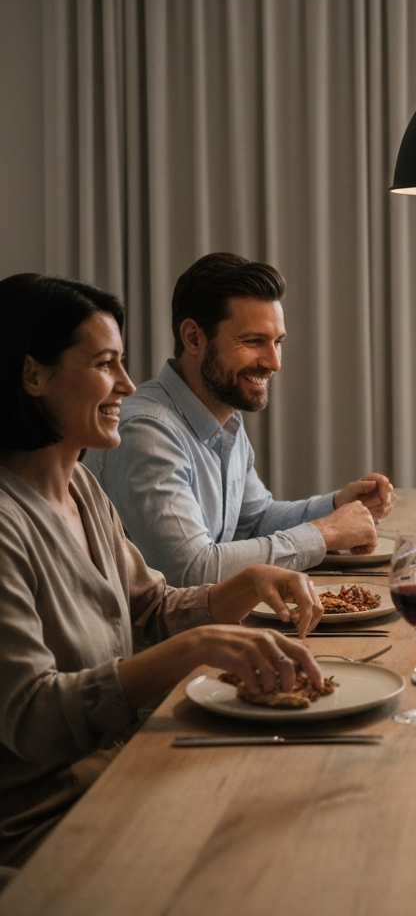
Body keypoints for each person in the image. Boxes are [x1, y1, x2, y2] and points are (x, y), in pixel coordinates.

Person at [0, 274, 327, 866]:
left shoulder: (80, 487)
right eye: (105, 364)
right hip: (49, 825)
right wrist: (196, 646)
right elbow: (33, 719)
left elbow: (150, 609)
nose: (127, 385)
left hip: (123, 770)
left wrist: (249, 583)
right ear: (32, 375)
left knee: (307, 797)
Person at [88, 253, 394, 587]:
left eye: (277, 342)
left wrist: (335, 506)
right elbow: (191, 572)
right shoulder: (145, 432)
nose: (274, 362)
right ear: (193, 337)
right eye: (253, 341)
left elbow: (254, 520)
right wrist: (326, 533)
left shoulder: (224, 415)